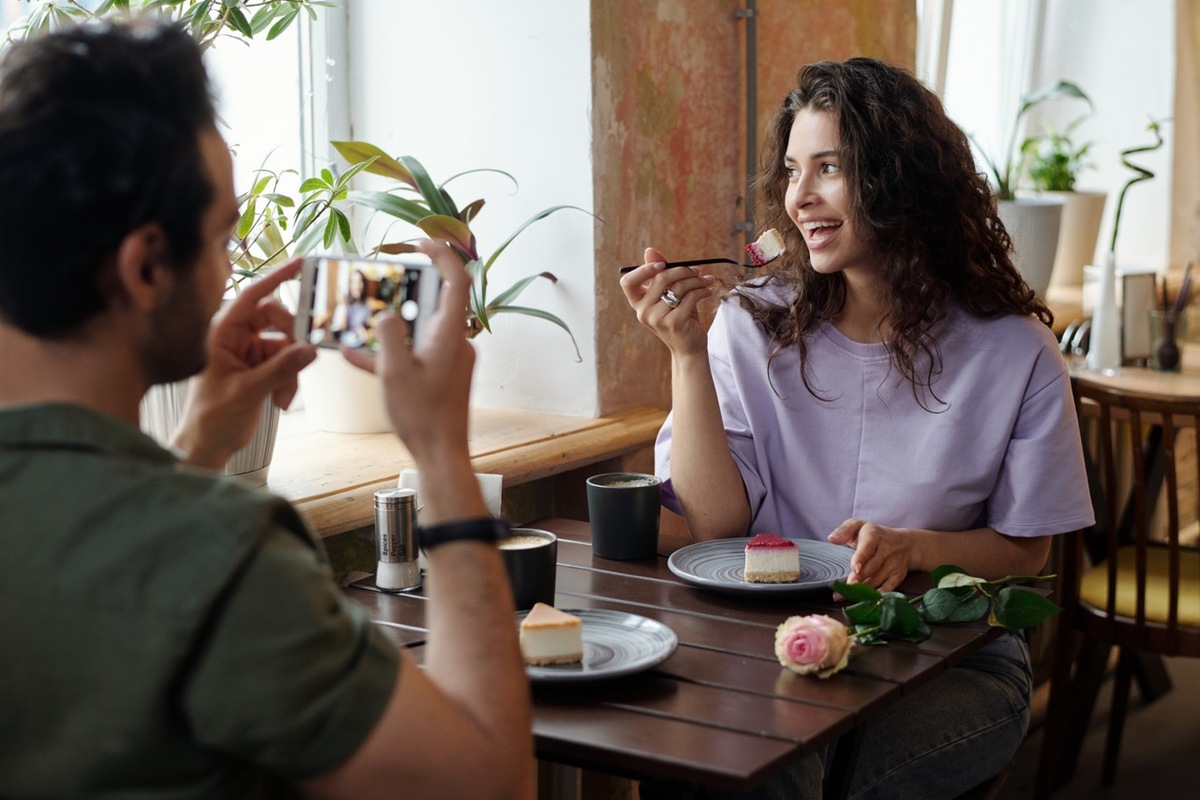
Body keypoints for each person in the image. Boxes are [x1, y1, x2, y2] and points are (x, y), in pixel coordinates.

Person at [0, 20, 533, 799]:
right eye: (222, 238)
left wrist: (201, 441)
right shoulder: (223, 554)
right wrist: (442, 456)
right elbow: (489, 785)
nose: (229, 273)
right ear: (146, 267)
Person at [621, 57, 1094, 799]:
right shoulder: (748, 324)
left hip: (952, 655)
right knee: (751, 766)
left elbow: (1026, 549)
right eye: (791, 170)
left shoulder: (1013, 352)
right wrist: (685, 352)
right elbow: (715, 522)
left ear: (900, 177)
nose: (798, 197)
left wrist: (915, 549)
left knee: (803, 775)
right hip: (769, 640)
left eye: (830, 168)